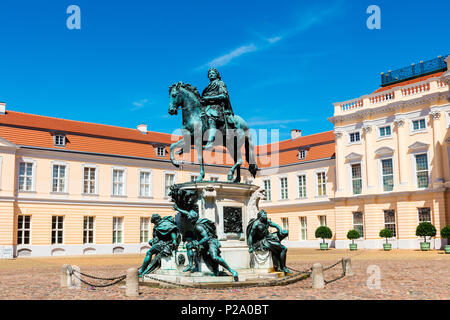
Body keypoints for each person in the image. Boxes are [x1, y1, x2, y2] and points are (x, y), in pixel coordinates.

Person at [173, 203, 239, 281]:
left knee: (214, 257)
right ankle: (190, 265)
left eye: (189, 217)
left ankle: (231, 270)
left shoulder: (198, 226)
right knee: (189, 246)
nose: (187, 217)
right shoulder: (195, 221)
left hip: (211, 242)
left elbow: (206, 237)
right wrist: (178, 209)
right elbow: (187, 213)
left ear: (192, 218)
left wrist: (198, 243)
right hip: (204, 242)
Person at [201, 67, 235, 150]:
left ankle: (210, 142)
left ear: (217, 75)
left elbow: (224, 95)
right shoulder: (208, 86)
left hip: (217, 107)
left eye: (213, 73)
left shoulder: (220, 83)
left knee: (211, 118)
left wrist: (209, 98)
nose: (211, 74)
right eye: (209, 74)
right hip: (207, 107)